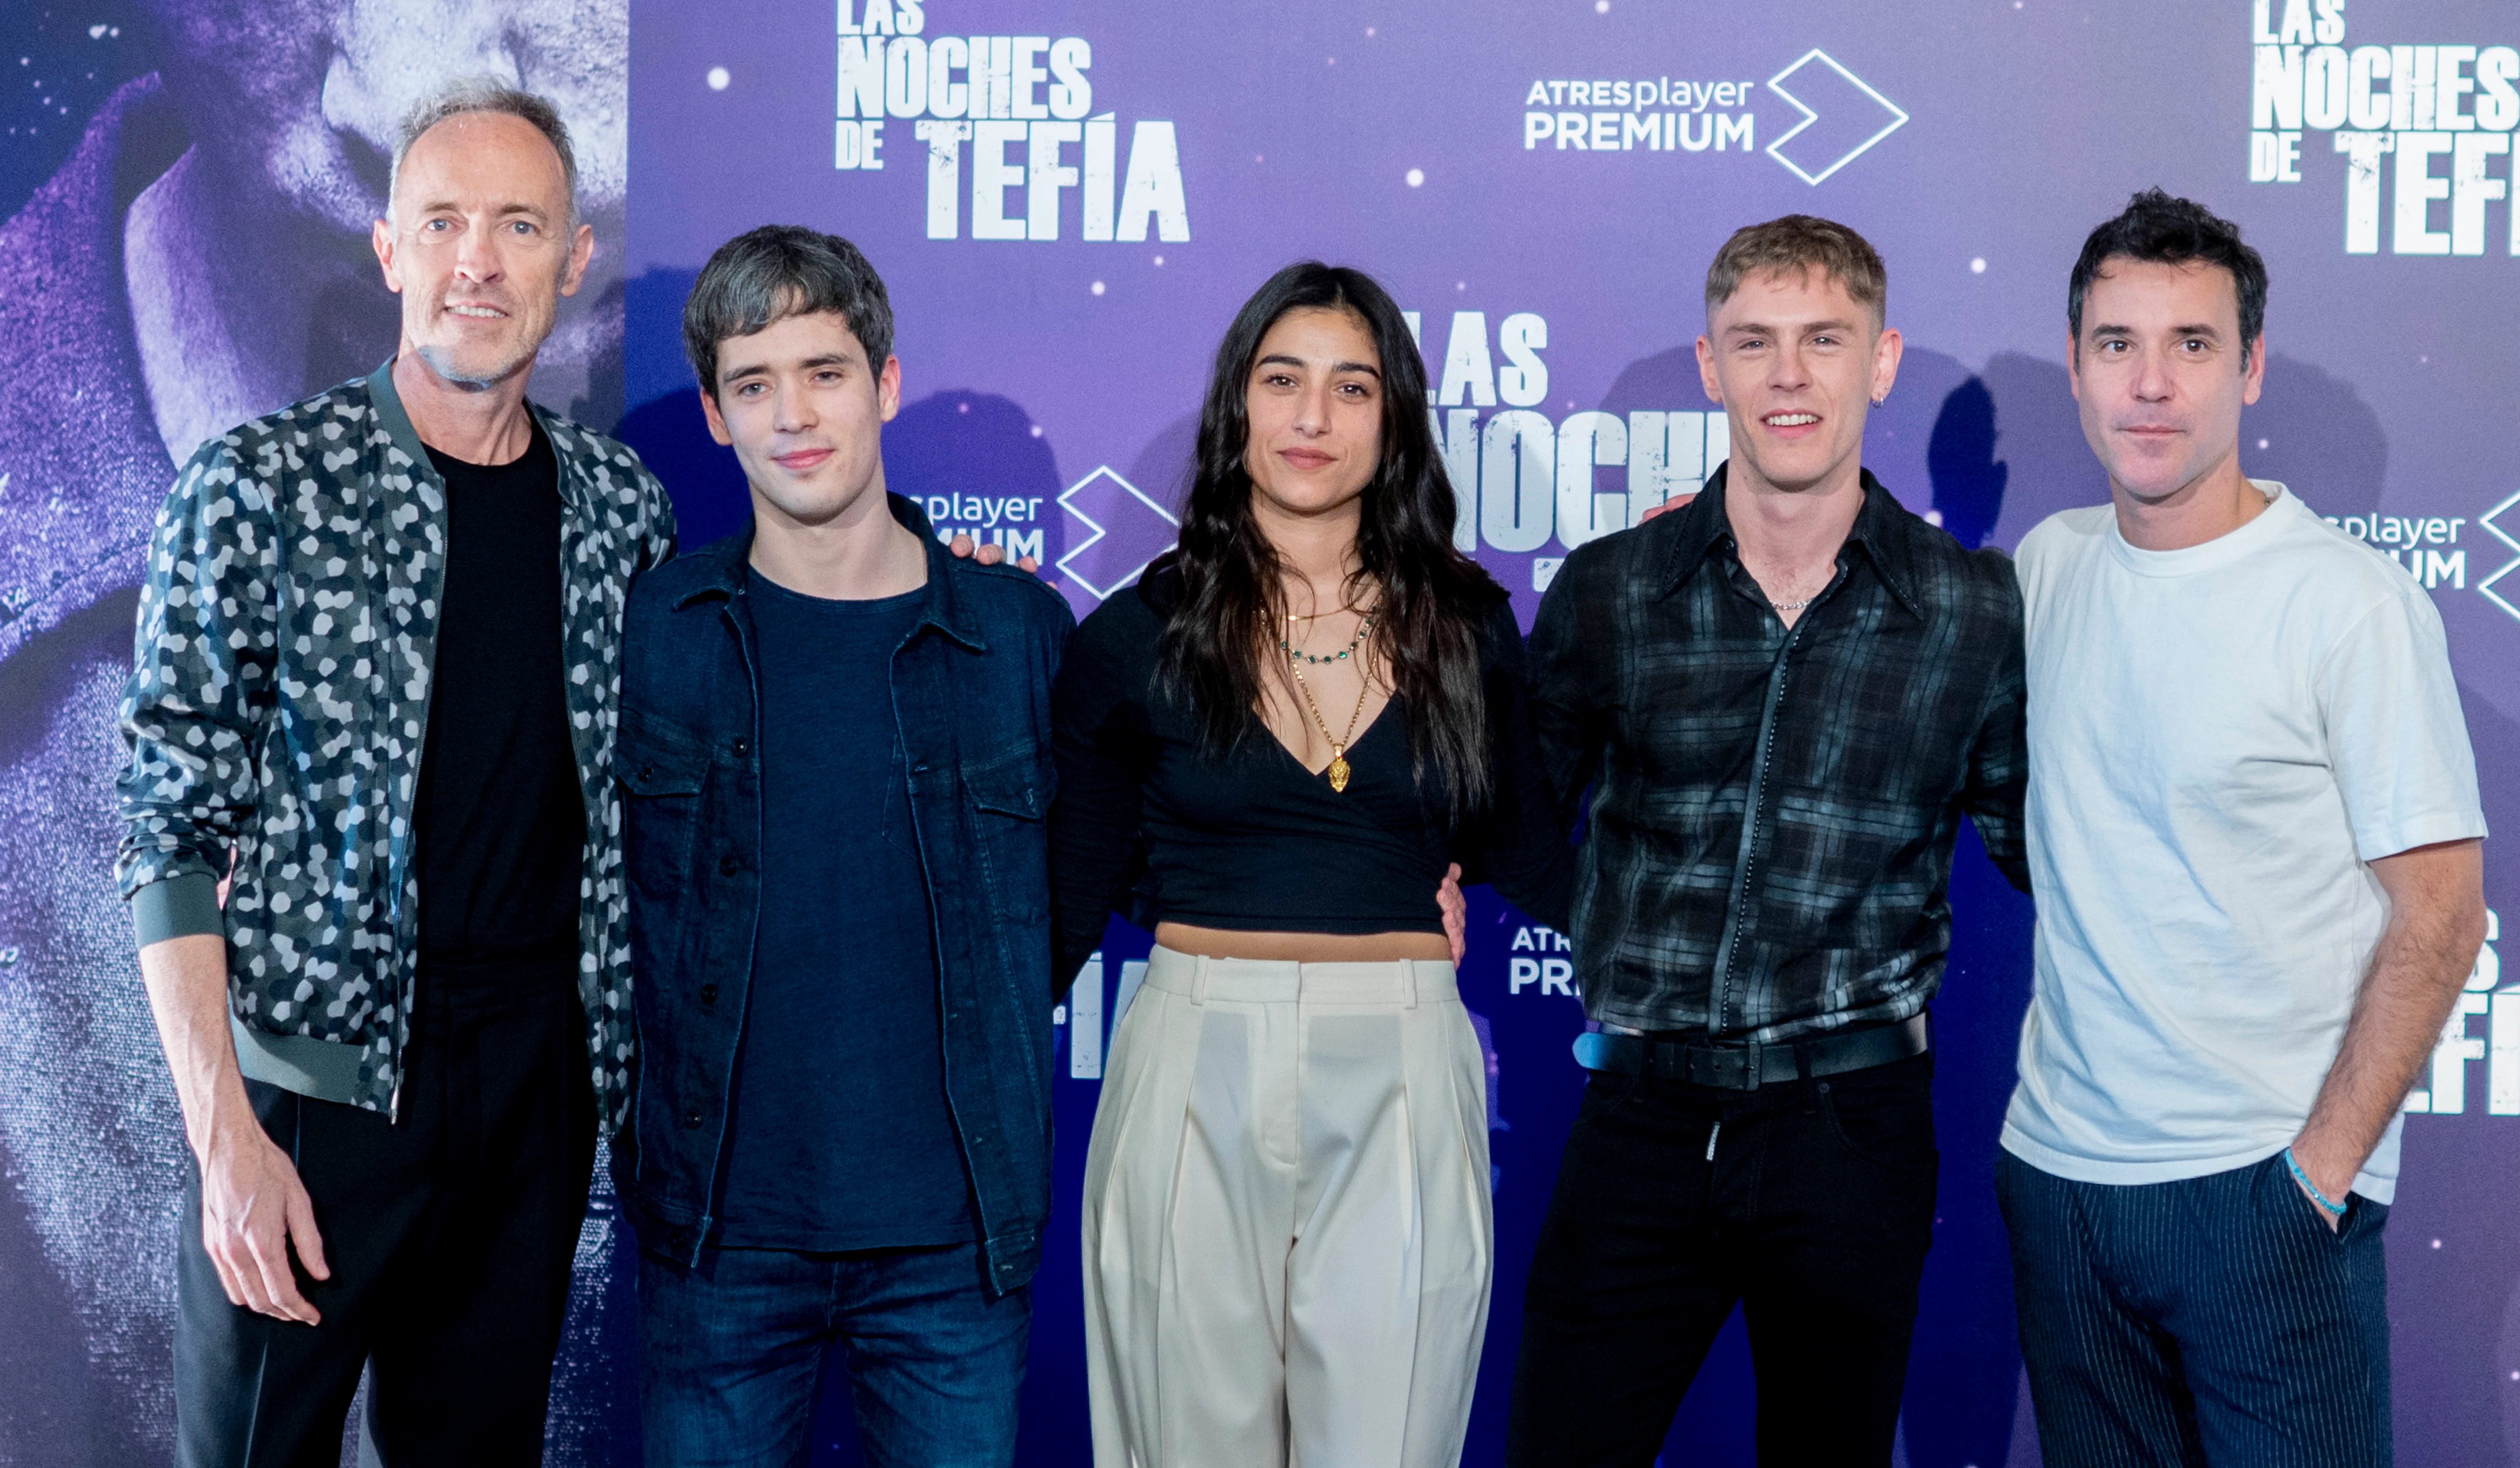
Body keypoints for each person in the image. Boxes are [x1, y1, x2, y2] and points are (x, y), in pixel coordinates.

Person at [0, 8, 629, 1454]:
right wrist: (229, 1146)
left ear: (570, 255)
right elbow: (166, 831)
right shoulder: (253, 488)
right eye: (444, 223)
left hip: (529, 1105)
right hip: (312, 1100)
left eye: (519, 224)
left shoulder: (615, 513)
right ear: (393, 252)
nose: (481, 262)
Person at [1505, 215, 2031, 1468]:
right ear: (1711, 365)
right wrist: (1626, 927)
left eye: (1822, 341)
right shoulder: (1612, 588)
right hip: (1637, 1117)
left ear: (1880, 360)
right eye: (1755, 343)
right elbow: (1517, 815)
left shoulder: (1967, 608)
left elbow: (2044, 845)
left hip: (1849, 1126)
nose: (1788, 375)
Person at [1048, 261, 1575, 1467]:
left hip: (1401, 1053)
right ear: (1237, 403)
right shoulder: (1133, 637)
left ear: (1392, 422)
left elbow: (1535, 854)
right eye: (1282, 381)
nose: (1311, 418)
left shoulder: (1471, 627)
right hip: (1189, 1055)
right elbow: (1060, 909)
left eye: (1352, 388)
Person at [1997, 189, 2487, 1468]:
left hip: (2262, 1192)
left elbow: (2441, 910)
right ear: (2075, 365)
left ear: (2250, 368)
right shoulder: (2042, 568)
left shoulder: (2346, 605)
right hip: (2061, 1186)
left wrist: (2316, 1177)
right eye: (2117, 345)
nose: (2150, 385)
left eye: (2192, 345)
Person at [614, 224, 1074, 1468]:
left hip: (952, 1245)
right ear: (715, 417)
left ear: (885, 382)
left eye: (822, 371)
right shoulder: (655, 629)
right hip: (718, 1235)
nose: (792, 416)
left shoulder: (1018, 633)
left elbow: (1113, 868)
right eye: (753, 385)